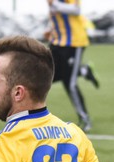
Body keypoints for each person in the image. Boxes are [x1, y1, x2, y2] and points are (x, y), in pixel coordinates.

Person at [45, 0, 100, 132]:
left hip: (74, 43)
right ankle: (83, 70)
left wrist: (55, 4)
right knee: (46, 76)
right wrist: (49, 29)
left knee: (70, 83)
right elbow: (55, 14)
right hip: (57, 42)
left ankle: (85, 119)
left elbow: (76, 10)